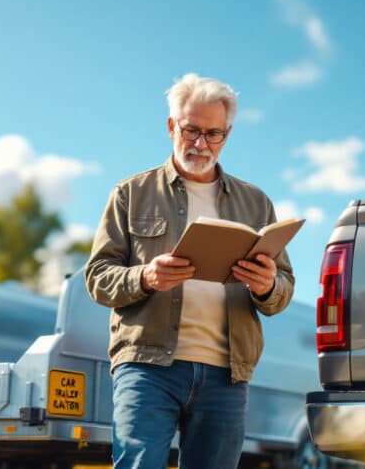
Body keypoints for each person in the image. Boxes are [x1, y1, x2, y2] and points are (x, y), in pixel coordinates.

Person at [85, 73, 295, 469]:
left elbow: (283, 288)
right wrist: (145, 277)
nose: (201, 143)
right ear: (171, 127)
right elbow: (97, 276)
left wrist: (268, 286)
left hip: (225, 376)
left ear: (227, 135)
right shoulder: (131, 193)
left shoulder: (256, 203)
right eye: (191, 130)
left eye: (213, 134)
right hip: (147, 367)